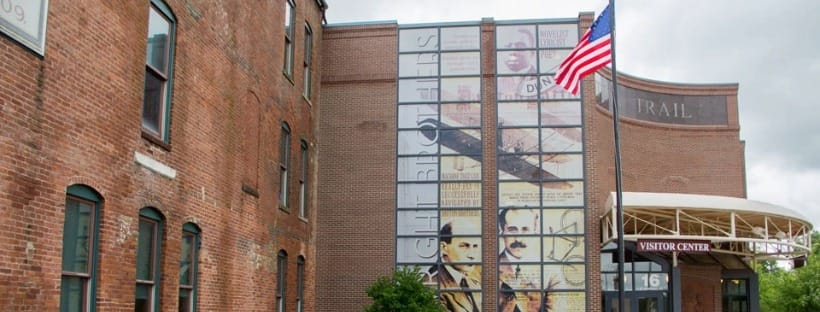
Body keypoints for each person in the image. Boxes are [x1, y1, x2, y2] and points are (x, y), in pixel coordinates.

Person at [425, 220, 483, 312]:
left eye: (475, 246)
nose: (472, 255)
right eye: (464, 246)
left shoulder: (472, 279)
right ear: (444, 247)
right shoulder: (432, 285)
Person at [498, 208, 543, 312]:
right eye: (512, 230)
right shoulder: (484, 270)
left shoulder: (551, 273)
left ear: (535, 234)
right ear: (502, 233)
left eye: (525, 229)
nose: (518, 239)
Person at [498, 28, 538, 100]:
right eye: (508, 46)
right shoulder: (498, 83)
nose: (512, 51)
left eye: (520, 46)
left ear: (532, 52)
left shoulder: (540, 79)